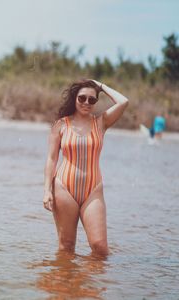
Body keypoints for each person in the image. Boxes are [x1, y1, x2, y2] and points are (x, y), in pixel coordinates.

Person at [43, 79, 129, 256]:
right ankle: (67, 283)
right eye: (82, 98)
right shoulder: (60, 125)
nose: (87, 103)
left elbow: (123, 102)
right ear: (75, 98)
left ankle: (91, 283)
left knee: (100, 248)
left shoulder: (101, 122)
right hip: (63, 188)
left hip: (93, 190)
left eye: (92, 99)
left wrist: (102, 86)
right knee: (66, 246)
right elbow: (51, 159)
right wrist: (46, 191)